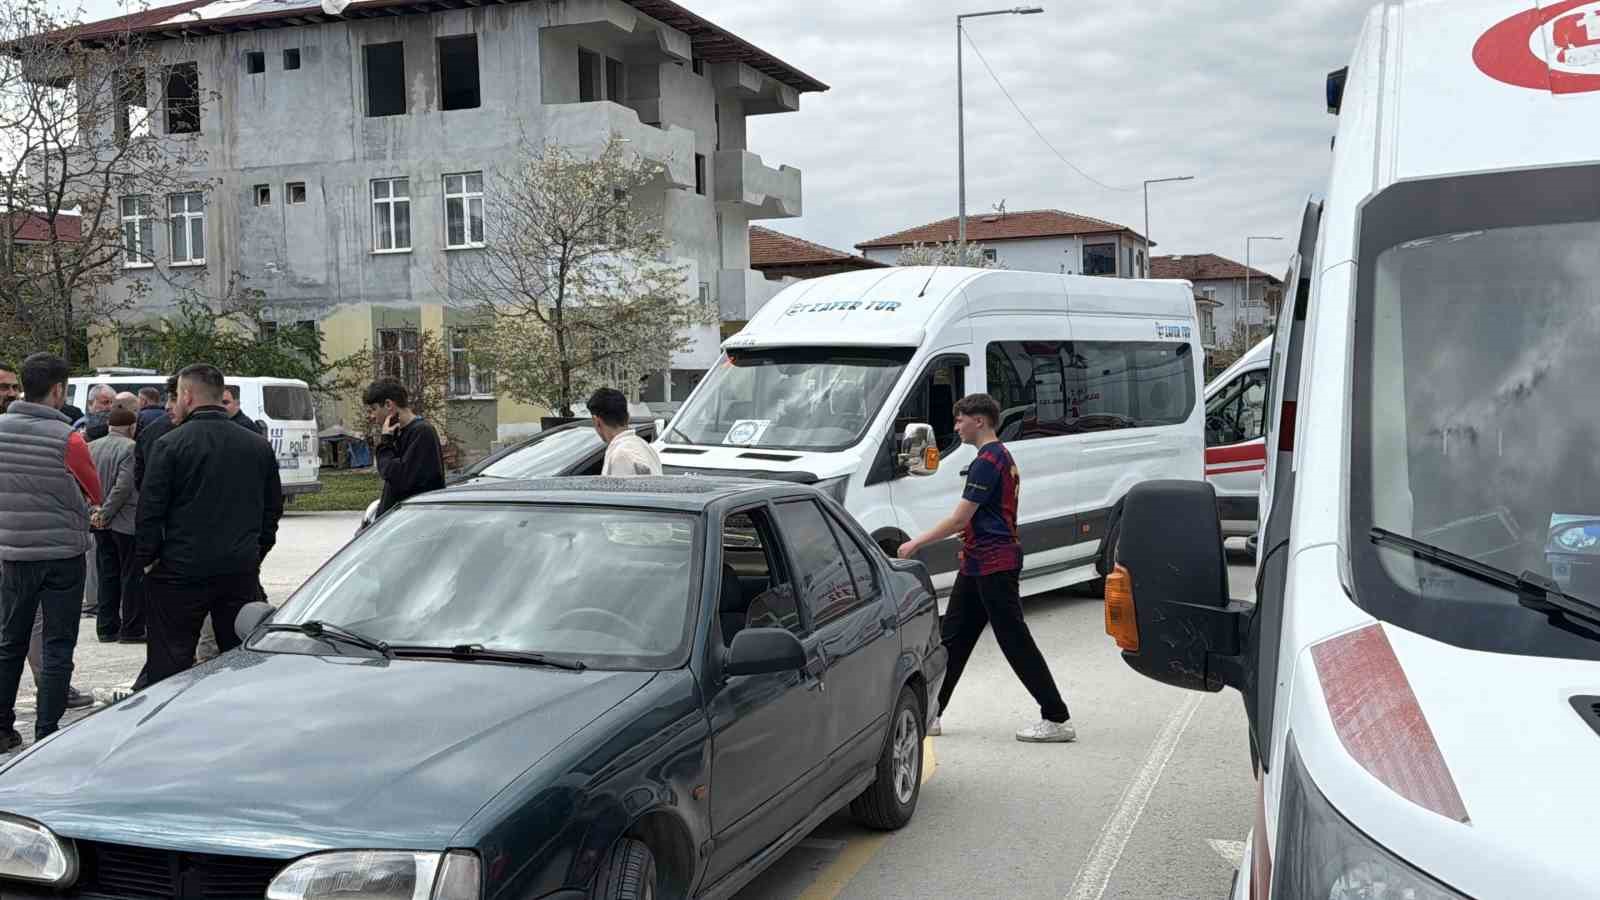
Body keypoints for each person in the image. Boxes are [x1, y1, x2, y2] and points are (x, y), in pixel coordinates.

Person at [898, 393, 1075, 744]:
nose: (956, 427)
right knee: (954, 638)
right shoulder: (998, 457)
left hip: (995, 563)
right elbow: (983, 516)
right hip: (978, 562)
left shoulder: (988, 460)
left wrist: (916, 543)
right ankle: (933, 713)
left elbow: (959, 519)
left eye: (960, 420)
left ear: (979, 421)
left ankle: (1057, 718)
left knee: (1014, 640)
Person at [135, 364, 282, 685]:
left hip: (179, 570)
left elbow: (150, 511)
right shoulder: (257, 445)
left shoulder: (170, 444)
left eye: (177, 395)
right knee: (239, 660)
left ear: (187, 395)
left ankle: (171, 714)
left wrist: (148, 559)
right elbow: (272, 509)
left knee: (170, 662)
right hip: (238, 568)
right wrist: (255, 552)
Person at [0, 353, 104, 750]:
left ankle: (3, 728)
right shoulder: (69, 439)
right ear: (58, 390)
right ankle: (47, 731)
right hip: (62, 555)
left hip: (13, 553)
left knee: (10, 641)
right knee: (58, 645)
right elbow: (95, 491)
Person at [89, 408, 141, 644]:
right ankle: (131, 629)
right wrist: (106, 512)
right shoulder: (130, 447)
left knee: (107, 574)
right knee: (130, 575)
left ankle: (106, 627)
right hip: (123, 522)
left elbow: (83, 483)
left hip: (99, 522)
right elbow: (123, 486)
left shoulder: (92, 446)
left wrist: (95, 511)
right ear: (132, 427)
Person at [365, 378, 444, 519]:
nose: (371, 416)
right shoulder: (397, 433)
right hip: (397, 521)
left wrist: (385, 443)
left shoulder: (422, 433)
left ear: (388, 404)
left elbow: (397, 477)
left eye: (373, 409)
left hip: (413, 522)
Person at [588, 387, 661, 476]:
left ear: (597, 421)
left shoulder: (621, 455)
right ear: (628, 417)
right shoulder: (646, 447)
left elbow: (622, 485)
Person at [134, 376, 179, 491]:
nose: (167, 406)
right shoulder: (167, 418)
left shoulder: (144, 421)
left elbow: (142, 474)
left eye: (173, 399)